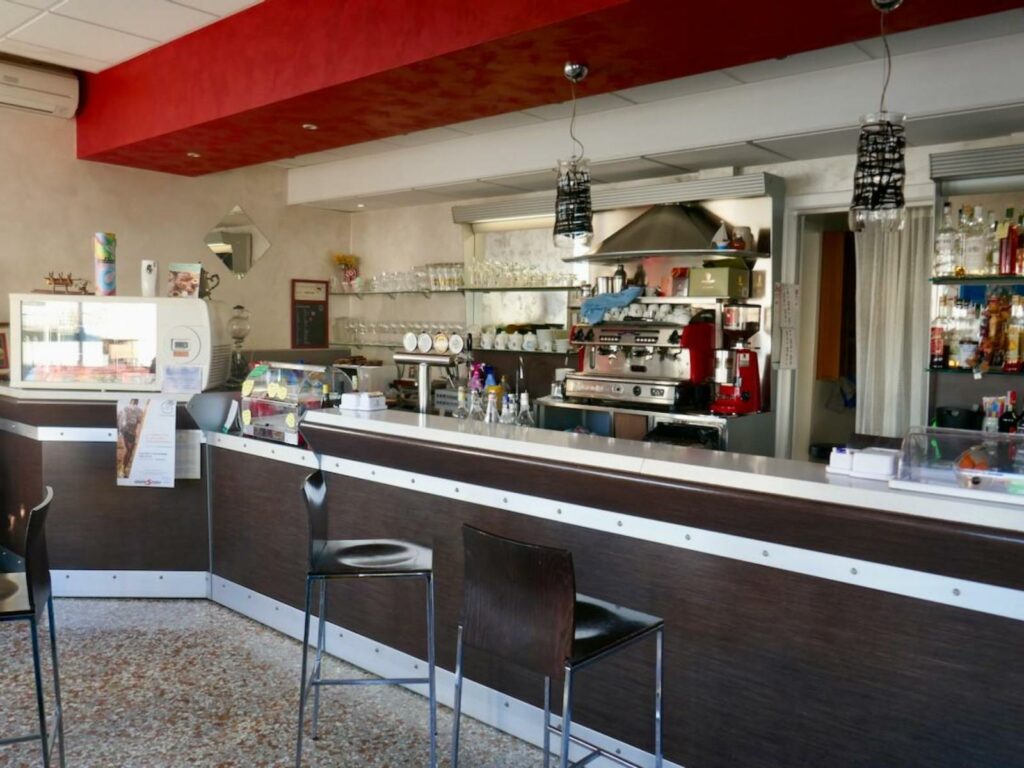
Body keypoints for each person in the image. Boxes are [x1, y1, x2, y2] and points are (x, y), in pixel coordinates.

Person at [117, 398, 145, 478]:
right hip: (124, 431)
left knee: (130, 452)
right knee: (127, 450)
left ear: (137, 403)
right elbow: (118, 419)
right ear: (130, 402)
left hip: (132, 433)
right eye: (133, 402)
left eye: (136, 402)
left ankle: (124, 468)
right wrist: (118, 431)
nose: (134, 404)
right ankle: (122, 470)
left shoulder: (139, 411)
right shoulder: (124, 409)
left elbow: (141, 421)